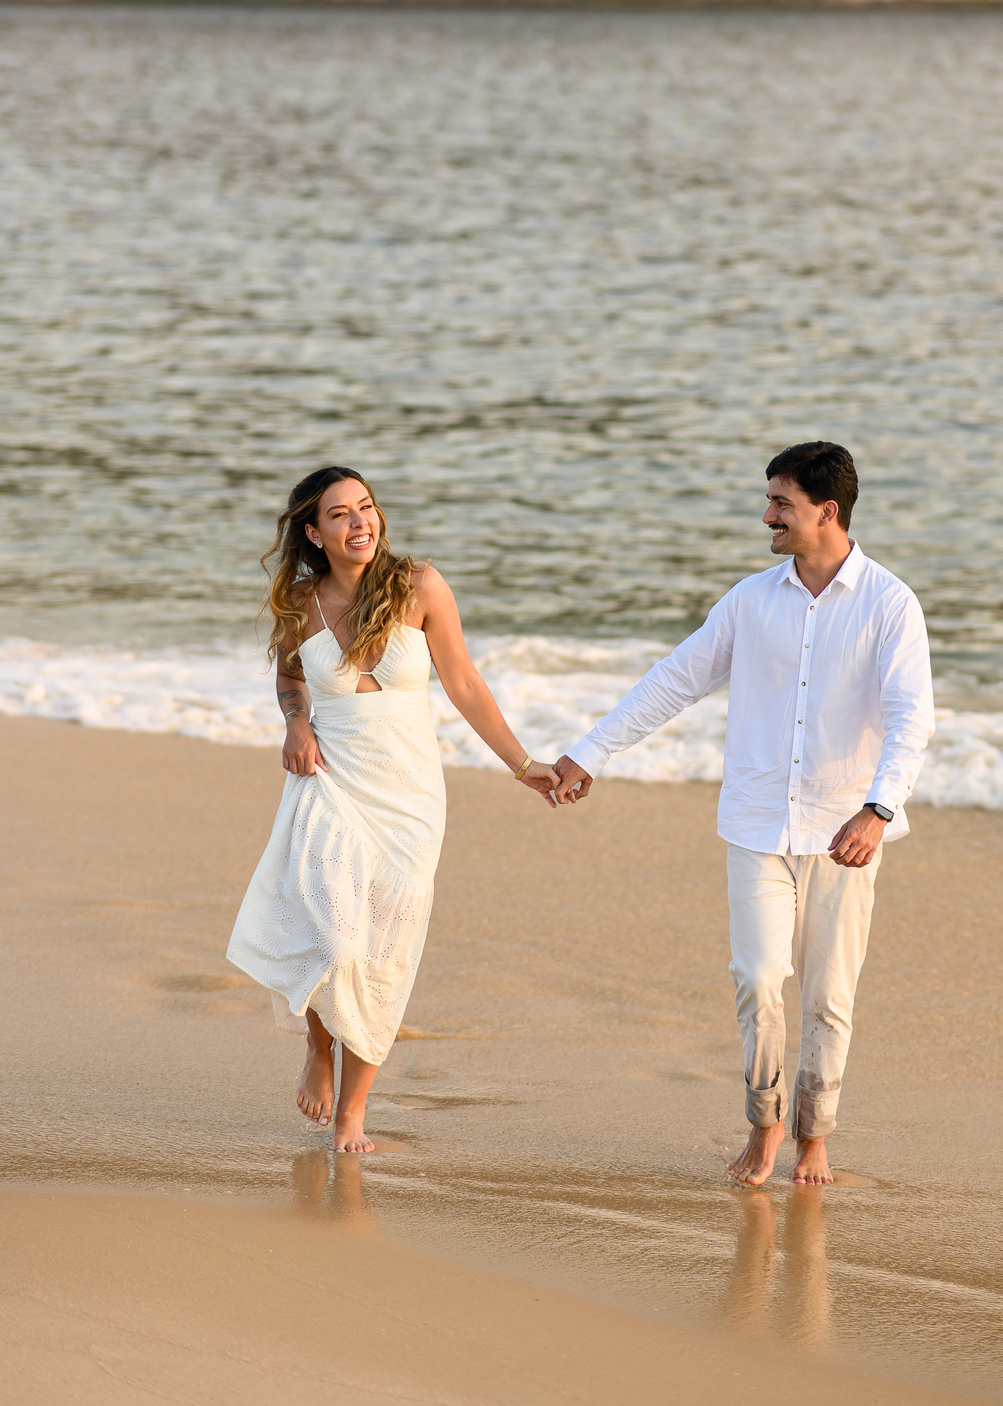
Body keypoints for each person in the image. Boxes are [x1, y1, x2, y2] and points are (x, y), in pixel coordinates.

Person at [553, 442, 934, 1187]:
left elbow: (909, 719)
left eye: (780, 504)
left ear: (827, 512)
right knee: (758, 977)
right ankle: (764, 1126)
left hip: (844, 834)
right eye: (770, 501)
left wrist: (878, 810)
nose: (767, 516)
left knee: (830, 996)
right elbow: (673, 682)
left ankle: (814, 1137)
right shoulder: (749, 600)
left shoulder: (891, 604)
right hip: (757, 825)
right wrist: (588, 751)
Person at [227, 465, 560, 1154]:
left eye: (367, 507)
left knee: (385, 953)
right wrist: (296, 724)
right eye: (341, 514)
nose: (360, 523)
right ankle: (319, 1046)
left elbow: (464, 682)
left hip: (410, 799)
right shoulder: (300, 601)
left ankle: (353, 1112)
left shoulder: (420, 586)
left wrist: (523, 765)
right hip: (332, 783)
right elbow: (292, 678)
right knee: (336, 937)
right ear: (313, 533)